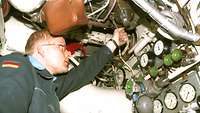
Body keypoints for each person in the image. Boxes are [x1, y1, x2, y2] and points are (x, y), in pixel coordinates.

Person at [0, 28, 128, 113]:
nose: (68, 54)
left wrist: (114, 43)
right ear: (42, 50)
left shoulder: (50, 86)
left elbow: (83, 73)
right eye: (61, 47)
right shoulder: (19, 65)